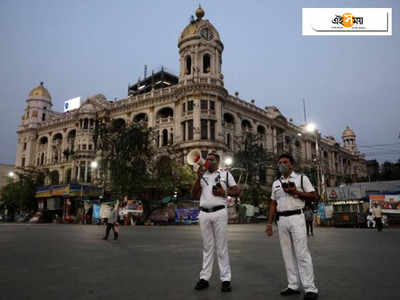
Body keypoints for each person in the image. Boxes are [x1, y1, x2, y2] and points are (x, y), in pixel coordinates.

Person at [266, 153, 319, 300]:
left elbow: (314, 195)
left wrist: (296, 192)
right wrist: (269, 223)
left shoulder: (301, 178)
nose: (281, 164)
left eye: (284, 162)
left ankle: (310, 288)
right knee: (287, 254)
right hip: (281, 220)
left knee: (302, 253)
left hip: (297, 217)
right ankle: (293, 285)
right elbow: (273, 204)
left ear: (291, 165)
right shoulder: (276, 183)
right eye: (279, 162)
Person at [192, 152, 240, 293]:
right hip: (204, 213)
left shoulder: (225, 174)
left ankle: (225, 279)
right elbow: (193, 194)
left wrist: (224, 193)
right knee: (207, 247)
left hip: (219, 212)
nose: (208, 161)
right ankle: (204, 278)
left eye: (211, 159)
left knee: (221, 246)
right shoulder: (203, 175)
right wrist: (198, 178)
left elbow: (237, 191)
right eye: (207, 159)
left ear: (218, 162)